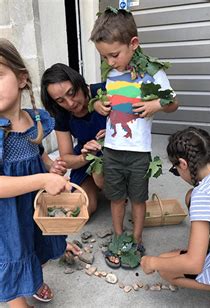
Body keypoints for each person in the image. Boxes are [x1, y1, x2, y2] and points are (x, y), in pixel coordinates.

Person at [89, 7, 179, 267]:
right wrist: (99, 107)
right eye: (104, 57)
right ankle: (118, 237)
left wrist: (155, 106)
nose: (110, 62)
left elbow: (173, 103)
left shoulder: (152, 73)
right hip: (113, 150)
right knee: (116, 196)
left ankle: (137, 238)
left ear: (133, 44)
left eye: (114, 55)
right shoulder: (112, 74)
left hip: (139, 152)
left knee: (138, 198)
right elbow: (106, 103)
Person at [0, 38, 81, 308]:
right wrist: (43, 179)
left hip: (33, 206)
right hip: (6, 217)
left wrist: (51, 168)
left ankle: (33, 280)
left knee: (35, 245)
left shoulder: (34, 119)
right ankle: (17, 297)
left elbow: (41, 157)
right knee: (13, 253)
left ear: (22, 78)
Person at [140, 127, 210, 307]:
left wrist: (151, 262)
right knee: (170, 258)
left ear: (183, 164)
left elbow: (193, 264)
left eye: (175, 169)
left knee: (166, 270)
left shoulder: (203, 195)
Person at [41, 63, 107, 215]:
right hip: (87, 156)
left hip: (115, 153)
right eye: (60, 100)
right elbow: (67, 158)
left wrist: (114, 131)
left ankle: (111, 188)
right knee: (81, 208)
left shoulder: (102, 90)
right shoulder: (61, 115)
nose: (70, 103)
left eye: (71, 92)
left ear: (78, 82)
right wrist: (84, 157)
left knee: (111, 189)